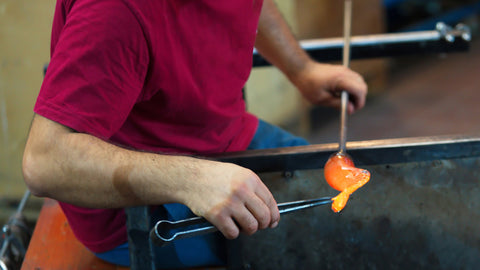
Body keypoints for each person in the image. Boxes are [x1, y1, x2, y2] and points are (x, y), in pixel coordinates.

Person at [22, 0, 367, 268]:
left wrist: (301, 69)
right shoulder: (116, 10)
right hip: (142, 202)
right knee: (331, 240)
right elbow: (45, 161)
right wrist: (192, 181)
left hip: (222, 134)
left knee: (362, 208)